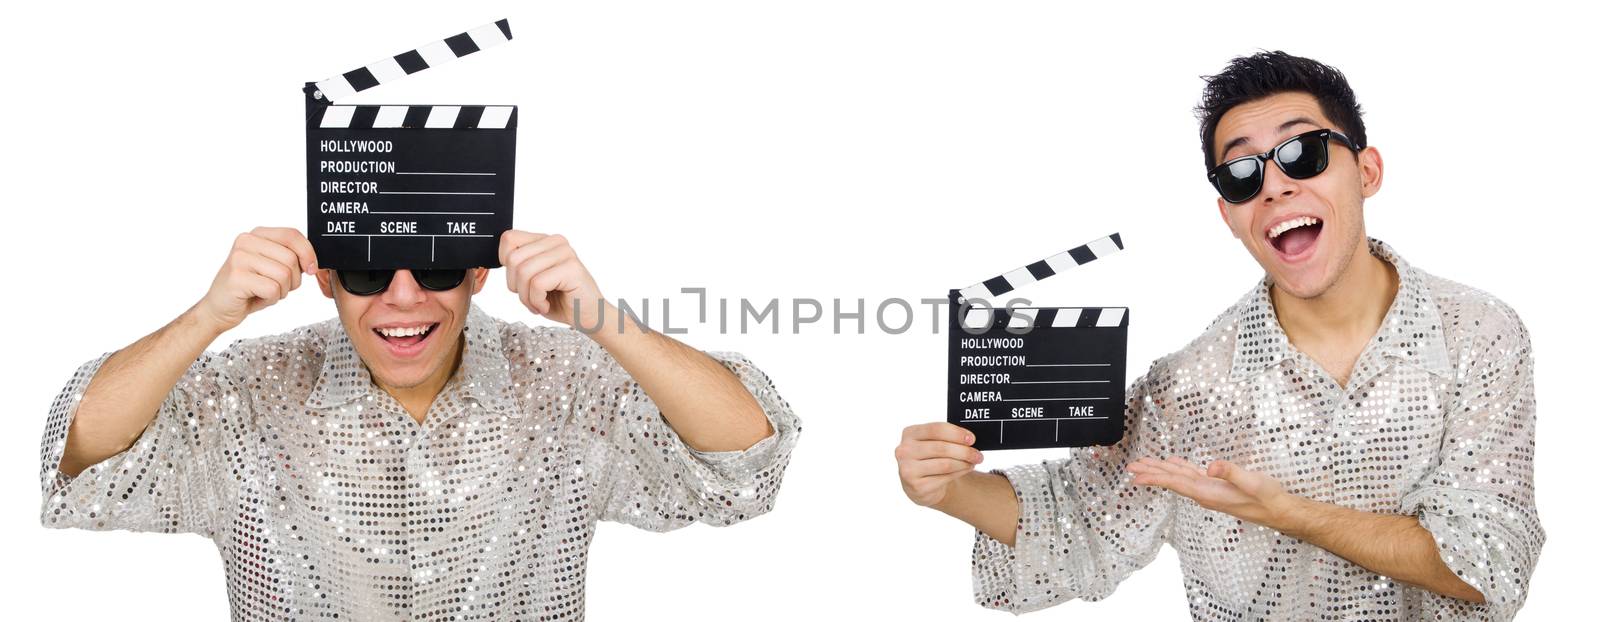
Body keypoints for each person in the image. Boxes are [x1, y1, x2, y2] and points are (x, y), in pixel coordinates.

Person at [895, 51, 1541, 620]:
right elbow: (1081, 522)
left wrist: (1290, 513)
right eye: (1241, 175)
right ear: (1228, 213)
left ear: (1366, 171)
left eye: (1303, 152)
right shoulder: (1189, 387)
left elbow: (1489, 563)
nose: (1276, 186)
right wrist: (950, 488)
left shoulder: (1478, 336)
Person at [39, 227, 801, 620]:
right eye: (370, 269)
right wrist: (208, 316)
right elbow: (84, 456)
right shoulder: (250, 393)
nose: (404, 299)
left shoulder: (565, 383)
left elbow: (747, 457)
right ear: (327, 278)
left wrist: (599, 318)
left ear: (477, 272)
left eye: (435, 266)